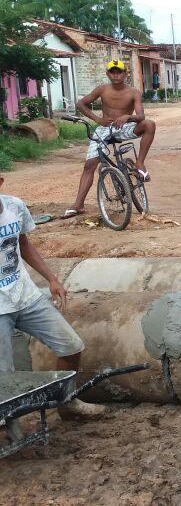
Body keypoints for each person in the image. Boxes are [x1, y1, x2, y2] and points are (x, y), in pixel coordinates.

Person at [1, 175, 106, 442]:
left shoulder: (14, 206)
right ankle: (10, 426)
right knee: (4, 377)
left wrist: (52, 279)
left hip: (26, 297)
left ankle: (67, 402)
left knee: (71, 346)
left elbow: (24, 246)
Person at [62, 60, 157, 219]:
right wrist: (97, 119)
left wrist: (128, 116)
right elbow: (81, 104)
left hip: (123, 127)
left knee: (149, 125)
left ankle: (140, 162)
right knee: (89, 165)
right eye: (113, 72)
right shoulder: (102, 89)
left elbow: (141, 116)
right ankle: (78, 205)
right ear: (108, 74)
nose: (116, 75)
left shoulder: (134, 92)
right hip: (104, 128)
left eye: (119, 72)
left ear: (125, 74)